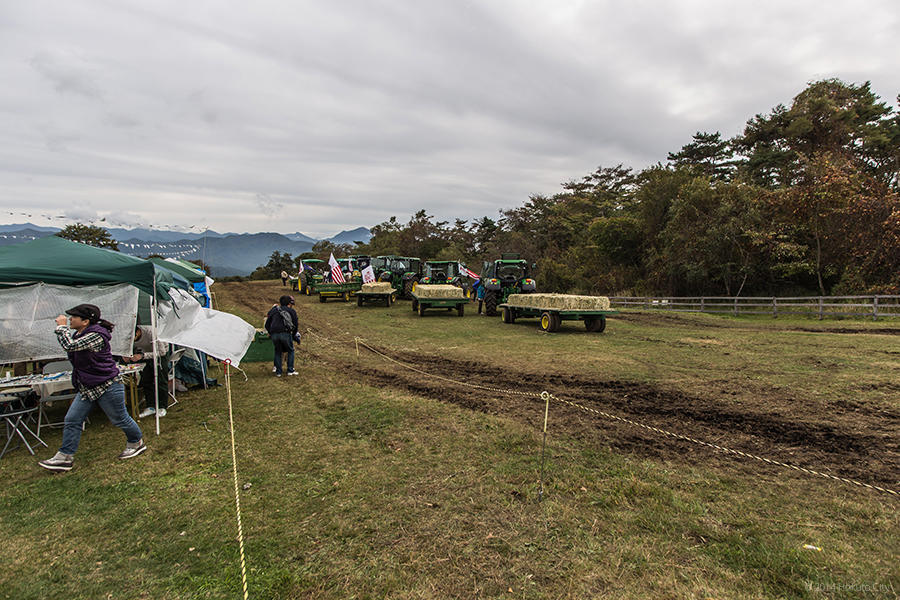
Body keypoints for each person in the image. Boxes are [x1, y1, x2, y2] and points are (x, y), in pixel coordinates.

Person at [39, 304, 145, 472]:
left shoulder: (96, 335)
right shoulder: (80, 334)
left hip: (107, 384)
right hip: (88, 387)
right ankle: (65, 456)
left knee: (119, 418)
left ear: (86, 321)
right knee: (72, 419)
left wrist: (61, 327)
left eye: (74, 317)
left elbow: (70, 346)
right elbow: (73, 346)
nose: (70, 319)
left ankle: (136, 442)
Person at [120, 323, 169, 418]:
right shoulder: (129, 336)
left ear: (138, 332)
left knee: (161, 380)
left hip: (159, 355)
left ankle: (162, 406)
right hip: (145, 354)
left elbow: (162, 352)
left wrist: (143, 356)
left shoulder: (151, 332)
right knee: (146, 380)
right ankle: (150, 406)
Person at [264, 295, 298, 377]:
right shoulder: (291, 311)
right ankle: (290, 370)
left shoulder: (274, 310)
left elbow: (267, 324)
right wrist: (293, 335)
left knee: (278, 351)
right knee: (290, 351)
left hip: (274, 334)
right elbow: (295, 325)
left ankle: (278, 372)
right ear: (289, 303)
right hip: (285, 333)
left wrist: (270, 332)